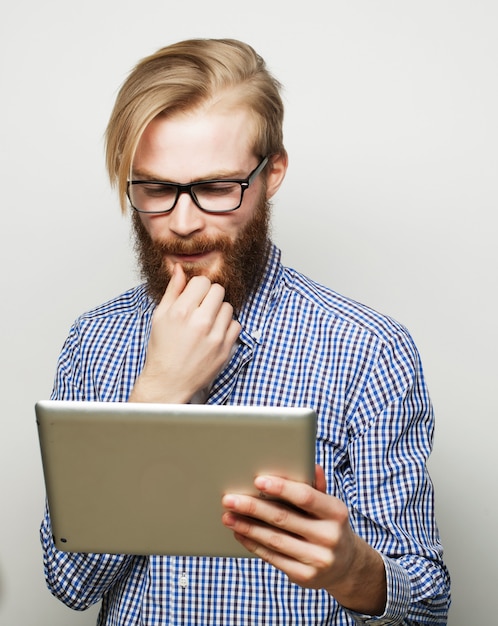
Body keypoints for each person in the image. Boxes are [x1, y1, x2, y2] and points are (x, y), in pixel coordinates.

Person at [40, 38, 451, 625]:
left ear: (272, 173)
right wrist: (156, 395)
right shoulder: (94, 341)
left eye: (215, 188)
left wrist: (353, 571)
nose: (183, 224)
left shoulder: (368, 350)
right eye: (155, 189)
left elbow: (429, 608)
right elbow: (68, 581)